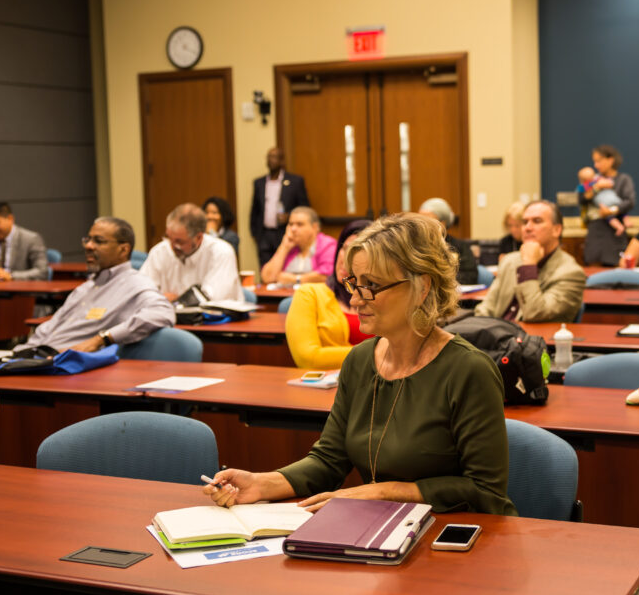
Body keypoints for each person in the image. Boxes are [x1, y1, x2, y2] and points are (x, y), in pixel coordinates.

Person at [203, 213, 516, 515]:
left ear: (422, 288)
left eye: (372, 286)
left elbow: (484, 491)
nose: (354, 300)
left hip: (461, 541)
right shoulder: (361, 360)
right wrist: (261, 483)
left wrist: (384, 491)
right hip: (387, 531)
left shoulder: (468, 370)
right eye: (354, 283)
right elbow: (328, 460)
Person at [22, 217, 174, 352]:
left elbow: (163, 312)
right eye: (88, 240)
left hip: (67, 367)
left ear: (123, 249)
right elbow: (51, 327)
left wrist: (102, 339)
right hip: (38, 357)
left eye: (98, 241)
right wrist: (21, 354)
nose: (88, 246)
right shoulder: (85, 287)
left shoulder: (135, 284)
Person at [474, 200, 585, 323]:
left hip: (531, 339)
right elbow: (485, 309)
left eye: (537, 221)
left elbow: (535, 313)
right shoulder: (509, 261)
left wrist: (529, 266)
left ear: (556, 230)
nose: (527, 228)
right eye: (525, 222)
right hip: (494, 335)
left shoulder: (571, 273)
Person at [285, 219, 373, 370]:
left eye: (355, 252)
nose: (344, 259)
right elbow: (308, 358)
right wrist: (377, 353)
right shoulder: (309, 293)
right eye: (344, 249)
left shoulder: (382, 296)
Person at [139, 203, 243, 302]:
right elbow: (141, 293)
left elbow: (210, 300)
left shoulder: (221, 252)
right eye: (169, 237)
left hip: (217, 320)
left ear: (198, 238)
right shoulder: (159, 252)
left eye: (179, 241)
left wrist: (173, 300)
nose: (172, 246)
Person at [249, 147, 310, 268]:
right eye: (269, 157)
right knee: (265, 270)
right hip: (264, 235)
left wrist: (289, 216)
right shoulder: (259, 183)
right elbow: (255, 209)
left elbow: (305, 208)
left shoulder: (295, 181)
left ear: (282, 161)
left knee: (285, 268)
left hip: (285, 234)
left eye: (274, 157)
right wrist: (255, 233)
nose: (271, 160)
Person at [580, 145, 636, 266]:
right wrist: (596, 188)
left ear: (611, 160)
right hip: (595, 230)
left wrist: (610, 211)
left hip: (615, 232)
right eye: (594, 161)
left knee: (616, 266)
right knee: (593, 265)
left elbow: (629, 202)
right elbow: (581, 199)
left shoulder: (623, 179)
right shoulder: (593, 180)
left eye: (599, 161)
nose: (596, 165)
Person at [0, 202, 49, 282]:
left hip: (19, 290)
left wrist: (11, 276)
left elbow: (42, 272)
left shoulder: (31, 239)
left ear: (10, 219)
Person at [259, 207, 335, 286]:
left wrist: (295, 279)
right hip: (283, 294)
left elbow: (328, 276)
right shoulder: (290, 246)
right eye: (291, 224)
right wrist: (284, 247)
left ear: (314, 227)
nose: (293, 229)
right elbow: (267, 278)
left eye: (299, 224)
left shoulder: (328, 245)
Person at [417, 197, 478, 284]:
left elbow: (470, 276)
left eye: (428, 221)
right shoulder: (413, 245)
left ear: (442, 224)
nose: (423, 226)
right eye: (420, 221)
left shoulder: (459, 246)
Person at [577, 166, 625, 236]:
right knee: (610, 217)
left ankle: (622, 224)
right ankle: (619, 226)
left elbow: (610, 183)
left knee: (618, 212)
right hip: (599, 217)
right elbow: (582, 199)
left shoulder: (598, 179)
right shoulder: (585, 186)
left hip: (612, 205)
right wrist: (597, 187)